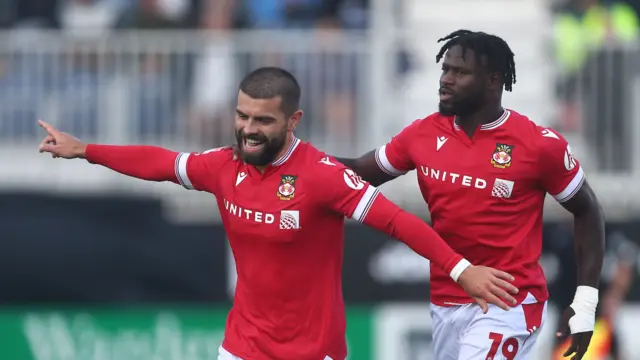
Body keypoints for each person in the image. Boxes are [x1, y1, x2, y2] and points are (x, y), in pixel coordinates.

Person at [37, 66, 519, 360]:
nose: (248, 129)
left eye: (262, 120)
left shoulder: (324, 175)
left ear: (293, 121)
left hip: (314, 353)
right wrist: (85, 150)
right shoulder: (222, 166)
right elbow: (162, 163)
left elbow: (398, 221)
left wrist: (461, 270)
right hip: (242, 348)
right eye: (242, 116)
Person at [332, 30, 606, 360]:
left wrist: (586, 303)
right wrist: (294, 157)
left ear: (493, 81)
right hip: (447, 300)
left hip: (510, 303)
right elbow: (361, 172)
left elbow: (588, 211)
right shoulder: (422, 134)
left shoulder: (538, 145)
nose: (445, 79)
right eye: (445, 69)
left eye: (459, 72)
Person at [546, 225, 638, 360]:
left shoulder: (608, 236)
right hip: (568, 315)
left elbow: (626, 264)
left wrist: (615, 294)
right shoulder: (559, 237)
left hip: (598, 317)